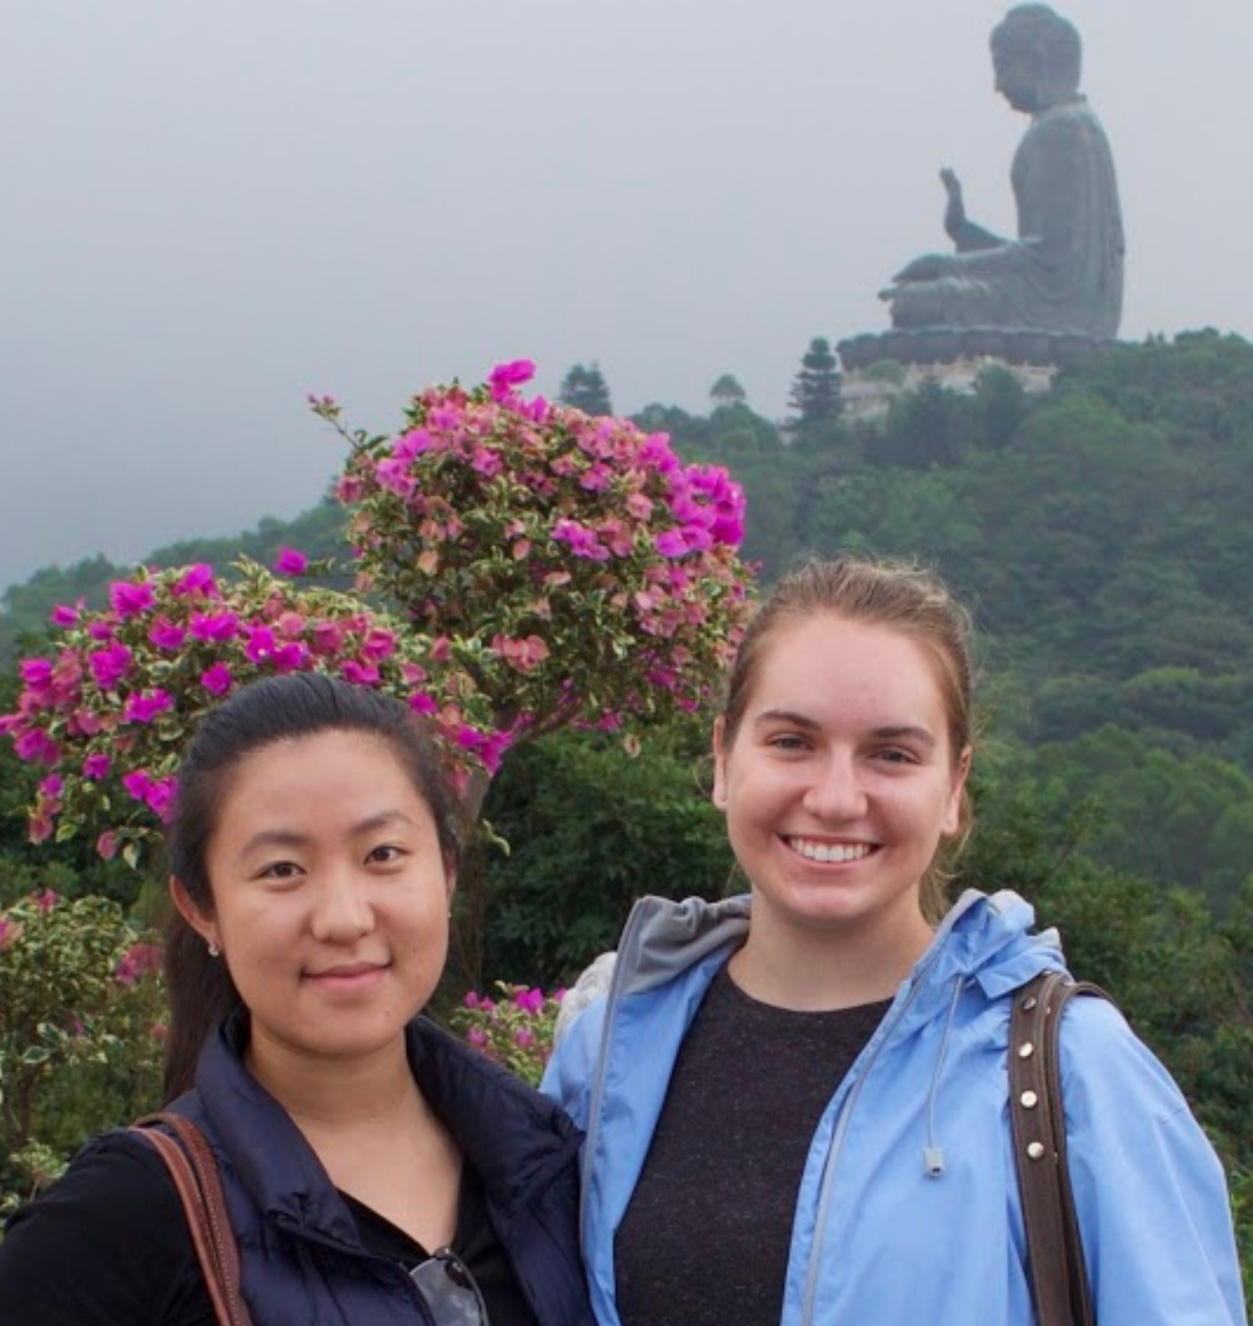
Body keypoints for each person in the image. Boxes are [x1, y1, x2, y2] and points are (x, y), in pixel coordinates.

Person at [543, 557, 1246, 1325]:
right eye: (789, 741)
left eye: (892, 755)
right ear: (721, 758)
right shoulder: (609, 1051)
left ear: (952, 788)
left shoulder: (1069, 1071)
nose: (836, 798)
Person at [0, 673, 594, 1326]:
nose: (343, 918)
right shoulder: (126, 1214)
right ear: (202, 910)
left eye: (383, 853)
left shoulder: (550, 1163)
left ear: (446, 872)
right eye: (281, 869)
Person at [881, 4, 1124, 338]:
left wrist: (948, 264)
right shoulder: (1075, 123)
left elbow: (1047, 261)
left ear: (1037, 58)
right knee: (920, 296)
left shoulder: (1060, 131)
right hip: (1061, 301)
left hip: (1058, 312)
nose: (997, 84)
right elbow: (1043, 254)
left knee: (912, 305)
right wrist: (965, 233)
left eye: (1003, 67)